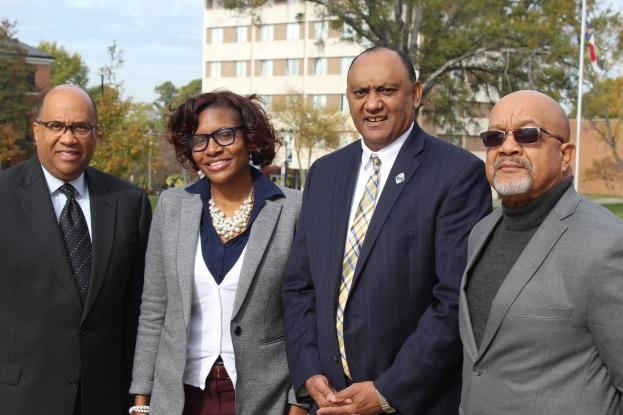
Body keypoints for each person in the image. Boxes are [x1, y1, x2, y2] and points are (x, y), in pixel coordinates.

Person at [282, 46, 492, 415]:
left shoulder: (456, 173)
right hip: (329, 401)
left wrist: (387, 393)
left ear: (415, 93)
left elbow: (454, 300)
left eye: (386, 90)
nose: (372, 104)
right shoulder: (323, 172)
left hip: (410, 403)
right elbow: (300, 286)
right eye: (360, 92)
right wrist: (309, 370)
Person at [130, 91, 306, 415]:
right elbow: (154, 307)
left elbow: (307, 315)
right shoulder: (171, 207)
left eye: (225, 135)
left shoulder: (295, 210)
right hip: (180, 398)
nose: (212, 149)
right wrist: (142, 400)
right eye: (199, 140)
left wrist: (299, 403)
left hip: (264, 399)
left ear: (250, 138)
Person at [459, 90, 623, 414]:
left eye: (527, 134)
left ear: (565, 155)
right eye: (494, 137)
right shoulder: (480, 234)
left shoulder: (607, 245)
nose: (507, 147)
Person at [0, 84, 152, 414]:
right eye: (56, 125)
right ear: (36, 130)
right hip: (20, 398)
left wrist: (140, 397)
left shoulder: (128, 202)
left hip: (107, 400)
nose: (68, 138)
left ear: (95, 133)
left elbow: (139, 311)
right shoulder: (3, 196)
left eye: (81, 127)